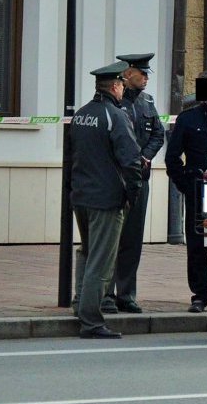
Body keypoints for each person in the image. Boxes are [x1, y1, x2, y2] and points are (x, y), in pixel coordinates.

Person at [70, 61, 143, 339]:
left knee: (87, 252)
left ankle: (80, 304)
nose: (123, 89)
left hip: (81, 196)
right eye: (122, 84)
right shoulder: (115, 116)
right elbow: (131, 160)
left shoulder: (81, 115)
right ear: (115, 86)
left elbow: (72, 156)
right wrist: (132, 194)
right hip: (106, 199)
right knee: (101, 261)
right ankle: (91, 320)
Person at [101, 52, 165, 314]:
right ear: (128, 74)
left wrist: (145, 157)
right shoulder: (114, 102)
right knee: (111, 239)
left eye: (147, 74)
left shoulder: (147, 102)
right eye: (142, 73)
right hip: (117, 179)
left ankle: (126, 294)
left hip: (140, 180)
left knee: (132, 240)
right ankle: (106, 293)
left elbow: (158, 134)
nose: (146, 78)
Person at [165, 74, 207, 313]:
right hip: (197, 187)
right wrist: (186, 184)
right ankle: (199, 295)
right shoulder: (188, 119)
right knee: (197, 244)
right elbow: (172, 158)